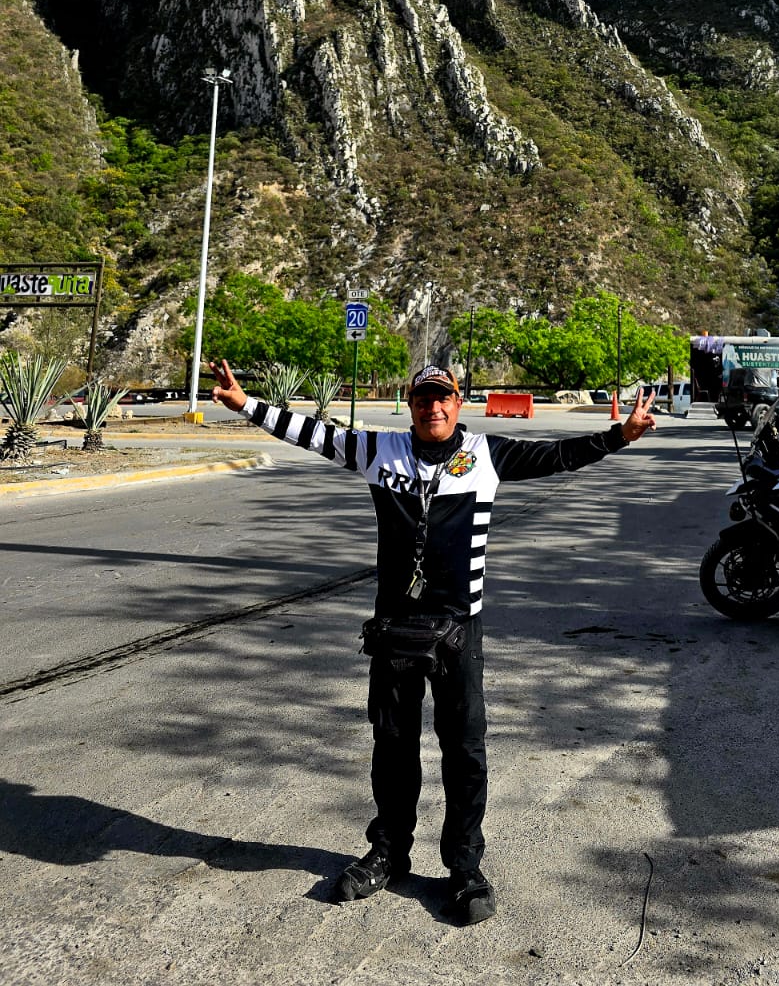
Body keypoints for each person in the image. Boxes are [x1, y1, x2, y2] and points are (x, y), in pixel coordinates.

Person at [207, 357, 657, 924]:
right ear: (412, 404)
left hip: (458, 631)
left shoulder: (486, 457)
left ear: (458, 402)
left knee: (464, 752)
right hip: (395, 628)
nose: (433, 407)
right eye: (423, 399)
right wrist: (245, 404)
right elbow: (314, 434)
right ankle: (388, 853)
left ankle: (464, 868)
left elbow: (559, 455)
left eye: (443, 397)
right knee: (392, 748)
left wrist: (622, 435)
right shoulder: (380, 452)